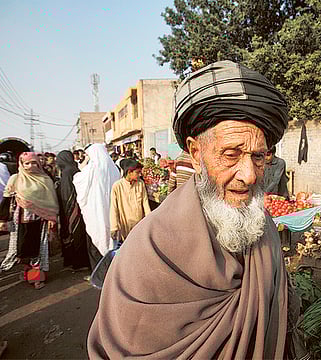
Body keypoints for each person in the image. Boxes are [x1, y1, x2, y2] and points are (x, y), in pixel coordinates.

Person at [88, 60, 303, 359]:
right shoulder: (150, 249)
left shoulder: (263, 227)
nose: (250, 174)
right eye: (231, 154)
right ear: (196, 153)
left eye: (258, 157)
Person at [0, 152, 59, 289]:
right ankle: (27, 273)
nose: (30, 166)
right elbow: (7, 200)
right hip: (20, 221)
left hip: (40, 222)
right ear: (21, 164)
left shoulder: (45, 179)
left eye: (34, 163)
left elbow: (52, 200)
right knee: (22, 250)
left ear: (38, 163)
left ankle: (36, 278)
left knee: (37, 250)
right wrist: (2, 219)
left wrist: (52, 218)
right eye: (27, 163)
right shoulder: (15, 179)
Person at [72, 144, 121, 272]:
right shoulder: (114, 168)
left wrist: (84, 164)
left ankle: (99, 274)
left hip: (95, 211)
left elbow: (77, 181)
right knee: (112, 239)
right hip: (112, 210)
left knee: (95, 240)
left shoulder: (92, 168)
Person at [56, 150, 91, 271]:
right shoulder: (74, 169)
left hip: (71, 209)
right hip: (78, 207)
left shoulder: (67, 172)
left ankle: (78, 262)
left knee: (74, 234)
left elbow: (67, 193)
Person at [110, 159, 151, 243]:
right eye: (137, 172)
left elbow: (145, 203)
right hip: (126, 226)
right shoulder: (117, 186)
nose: (140, 175)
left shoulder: (140, 184)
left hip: (140, 224)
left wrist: (149, 220)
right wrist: (114, 227)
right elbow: (114, 208)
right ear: (129, 172)